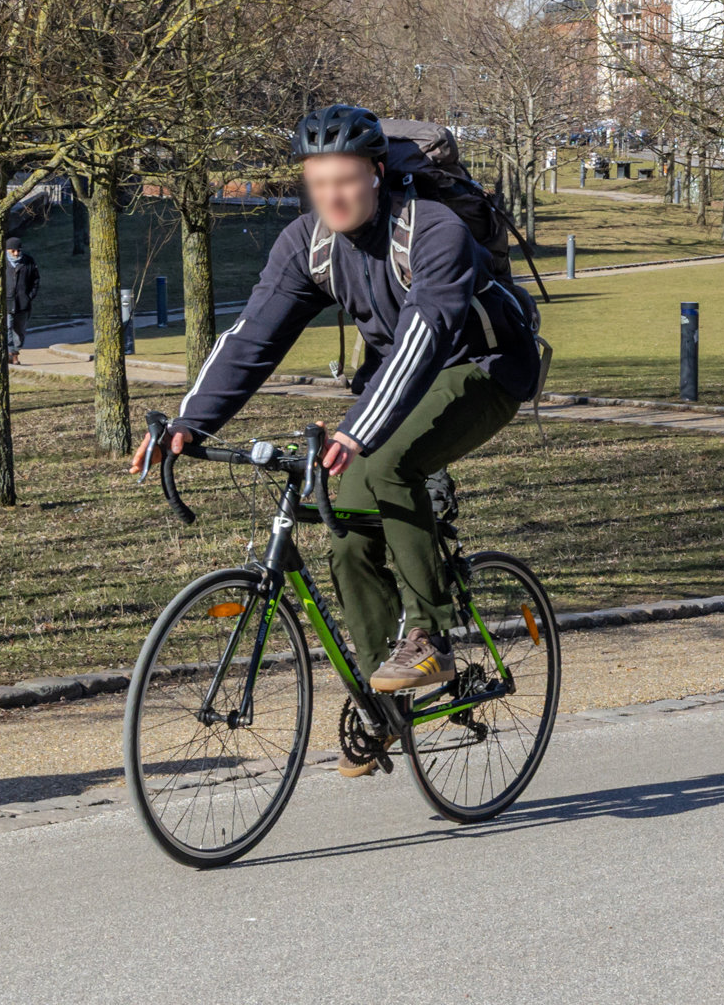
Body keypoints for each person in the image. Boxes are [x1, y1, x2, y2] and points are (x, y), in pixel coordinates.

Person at [133, 105, 541, 774]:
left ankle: (429, 634)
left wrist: (356, 430)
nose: (332, 195)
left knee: (386, 468)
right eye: (318, 182)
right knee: (345, 521)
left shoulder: (430, 231)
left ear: (377, 174)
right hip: (399, 382)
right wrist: (190, 423)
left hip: (484, 368)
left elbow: (424, 338)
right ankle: (385, 700)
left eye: (346, 179)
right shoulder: (309, 243)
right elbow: (253, 337)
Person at [0, 235, 40, 363]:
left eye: (18, 250)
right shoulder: (1, 262)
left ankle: (15, 350)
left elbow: (35, 280)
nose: (16, 253)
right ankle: (11, 353)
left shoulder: (28, 261)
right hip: (6, 302)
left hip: (23, 303)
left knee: (20, 331)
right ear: (7, 251)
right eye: (13, 251)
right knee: (7, 328)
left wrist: (30, 296)